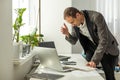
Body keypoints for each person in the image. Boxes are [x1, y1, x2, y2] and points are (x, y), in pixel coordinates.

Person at [61, 7, 119, 80]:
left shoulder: (96, 17)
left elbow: (103, 40)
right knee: (88, 73)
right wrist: (67, 34)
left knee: (109, 76)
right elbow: (74, 41)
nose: (72, 25)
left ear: (78, 15)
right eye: (70, 23)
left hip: (108, 48)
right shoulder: (75, 24)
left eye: (72, 22)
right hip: (92, 48)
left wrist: (94, 60)